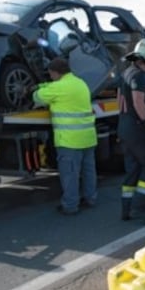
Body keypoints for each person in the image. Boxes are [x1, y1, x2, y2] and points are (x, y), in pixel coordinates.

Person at [31, 58, 98, 215]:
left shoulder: (58, 87)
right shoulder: (80, 83)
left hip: (70, 141)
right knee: (89, 172)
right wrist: (45, 85)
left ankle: (70, 206)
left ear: (55, 72)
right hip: (88, 137)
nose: (50, 77)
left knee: (70, 175)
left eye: (51, 74)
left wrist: (34, 89)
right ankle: (90, 198)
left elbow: (37, 97)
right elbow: (52, 87)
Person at [117, 38, 145, 224]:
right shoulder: (139, 76)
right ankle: (140, 209)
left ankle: (126, 209)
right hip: (137, 128)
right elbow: (138, 102)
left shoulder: (126, 73)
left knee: (133, 169)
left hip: (124, 127)